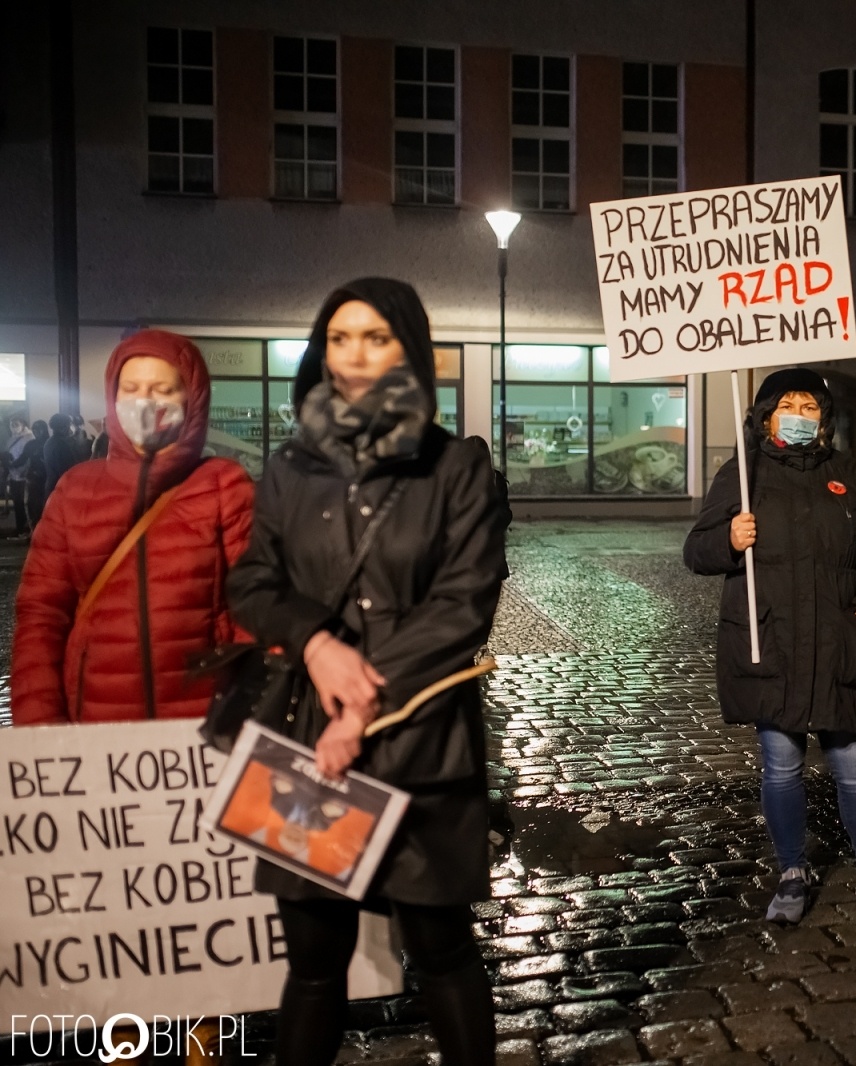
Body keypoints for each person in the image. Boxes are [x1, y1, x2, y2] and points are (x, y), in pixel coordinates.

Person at [228, 278, 509, 1066]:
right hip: (311, 744)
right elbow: (253, 582)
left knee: (443, 953)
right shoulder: (289, 468)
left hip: (423, 745)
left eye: (376, 337)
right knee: (313, 968)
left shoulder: (456, 465)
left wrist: (363, 703)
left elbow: (463, 604)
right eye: (340, 337)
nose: (354, 355)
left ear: (409, 350)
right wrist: (316, 644)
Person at [11, 332, 255, 1066]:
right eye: (134, 389)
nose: (149, 403)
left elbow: (256, 612)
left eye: (165, 389)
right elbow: (40, 618)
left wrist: (247, 703)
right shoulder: (75, 492)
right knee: (122, 930)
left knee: (209, 922)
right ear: (113, 401)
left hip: (200, 751)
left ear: (192, 400)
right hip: (97, 751)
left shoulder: (225, 487)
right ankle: (127, 1049)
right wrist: (43, 735)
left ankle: (210, 1047)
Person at [683, 368, 856, 924]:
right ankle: (791, 871)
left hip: (837, 644)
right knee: (781, 765)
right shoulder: (743, 470)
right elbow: (695, 551)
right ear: (764, 416)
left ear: (824, 421)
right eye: (787, 405)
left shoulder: (850, 475)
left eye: (810, 407)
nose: (799, 415)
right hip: (771, 643)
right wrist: (728, 541)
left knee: (854, 764)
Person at [42, 412, 83, 499]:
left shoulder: (50, 442)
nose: (71, 427)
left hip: (52, 485)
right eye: (70, 424)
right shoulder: (62, 444)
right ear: (63, 427)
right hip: (62, 487)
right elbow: (67, 468)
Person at [5, 414, 33, 537]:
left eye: (16, 425)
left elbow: (28, 458)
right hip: (13, 475)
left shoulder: (29, 438)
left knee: (25, 503)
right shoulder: (12, 438)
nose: (13, 427)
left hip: (24, 476)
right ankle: (20, 526)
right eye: (12, 425)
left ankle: (27, 527)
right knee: (17, 502)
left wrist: (22, 469)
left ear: (23, 425)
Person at [20, 419, 47, 528]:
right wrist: (10, 464)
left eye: (38, 429)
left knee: (45, 507)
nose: (36, 432)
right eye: (34, 429)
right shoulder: (31, 444)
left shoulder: (50, 443)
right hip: (33, 480)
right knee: (32, 507)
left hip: (47, 480)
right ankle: (35, 531)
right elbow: (22, 459)